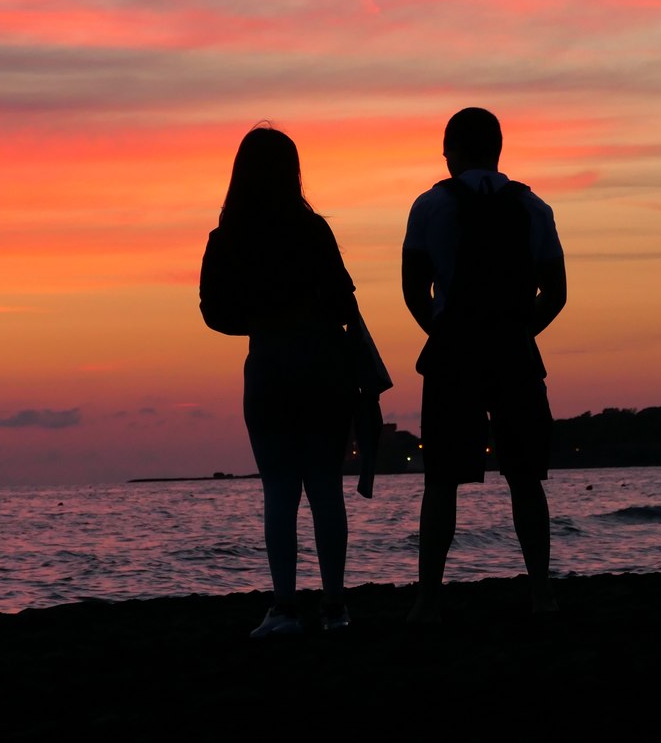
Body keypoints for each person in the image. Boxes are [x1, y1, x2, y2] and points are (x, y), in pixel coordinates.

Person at [200, 124, 390, 638]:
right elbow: (346, 302)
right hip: (323, 367)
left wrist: (260, 321)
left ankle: (285, 607)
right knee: (325, 490)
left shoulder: (228, 237)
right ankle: (334, 607)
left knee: (279, 492)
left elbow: (212, 312)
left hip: (268, 368)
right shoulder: (314, 231)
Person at [402, 107, 566, 623]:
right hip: (516, 353)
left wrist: (443, 333)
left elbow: (413, 289)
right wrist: (520, 333)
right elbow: (556, 293)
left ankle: (428, 601)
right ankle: (541, 594)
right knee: (525, 478)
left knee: (440, 481)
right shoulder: (535, 207)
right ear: (497, 150)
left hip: (454, 355)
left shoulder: (429, 206)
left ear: (450, 151)